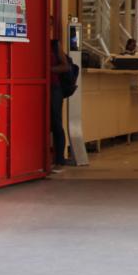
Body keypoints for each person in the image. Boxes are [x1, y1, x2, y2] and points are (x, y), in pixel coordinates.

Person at [48, 38, 74, 174]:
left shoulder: (54, 45)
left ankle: (59, 158)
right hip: (41, 87)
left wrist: (49, 70)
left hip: (54, 88)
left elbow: (65, 66)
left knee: (56, 122)